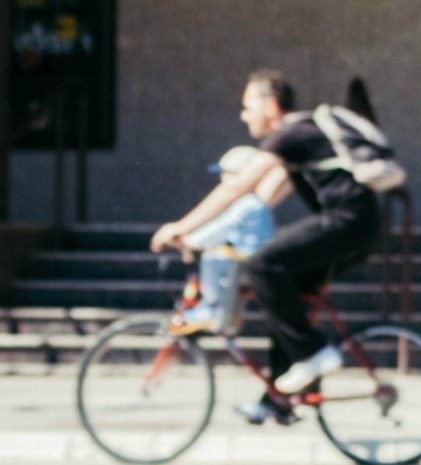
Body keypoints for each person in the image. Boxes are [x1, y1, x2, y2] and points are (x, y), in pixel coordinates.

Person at [153, 70, 380, 425]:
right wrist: (206, 236)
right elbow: (259, 200)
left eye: (247, 107)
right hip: (355, 227)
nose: (243, 116)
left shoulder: (290, 135)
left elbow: (236, 189)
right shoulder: (297, 144)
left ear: (270, 105)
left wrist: (180, 227)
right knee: (284, 296)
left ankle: (315, 352)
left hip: (347, 222)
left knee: (262, 265)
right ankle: (279, 398)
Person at [162, 144, 282, 335]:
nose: (223, 179)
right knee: (219, 258)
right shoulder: (251, 201)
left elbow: (222, 227)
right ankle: (223, 313)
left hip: (249, 259)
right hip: (246, 256)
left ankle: (211, 309)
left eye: (228, 174)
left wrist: (192, 240)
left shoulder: (248, 203)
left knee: (214, 258)